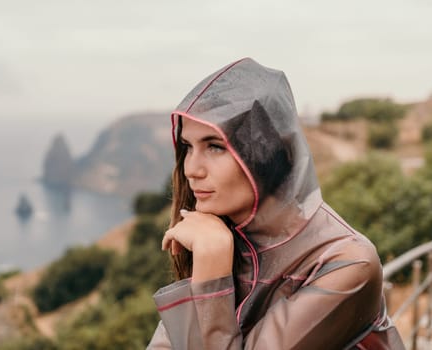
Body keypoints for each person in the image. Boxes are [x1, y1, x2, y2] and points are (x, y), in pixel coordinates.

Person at [147, 58, 404, 349]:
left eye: (215, 146)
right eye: (188, 147)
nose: (191, 169)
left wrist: (212, 270)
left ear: (268, 155)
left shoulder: (347, 262)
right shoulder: (218, 234)